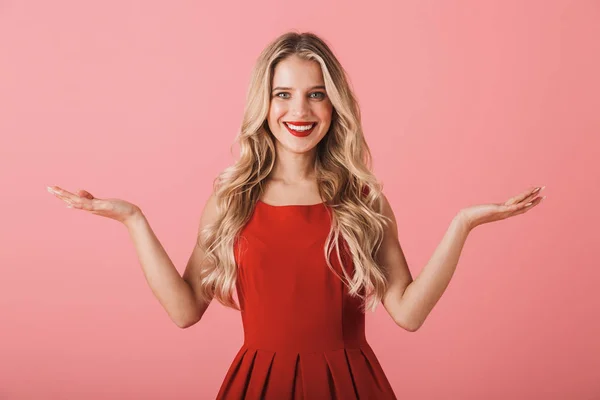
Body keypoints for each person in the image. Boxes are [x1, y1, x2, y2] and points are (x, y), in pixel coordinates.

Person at [47, 31, 546, 399]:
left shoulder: (362, 198)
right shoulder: (232, 199)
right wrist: (133, 219)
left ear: (335, 105)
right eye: (282, 94)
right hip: (258, 386)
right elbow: (184, 310)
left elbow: (408, 313)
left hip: (352, 387)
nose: (299, 110)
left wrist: (463, 224)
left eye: (316, 93)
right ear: (263, 104)